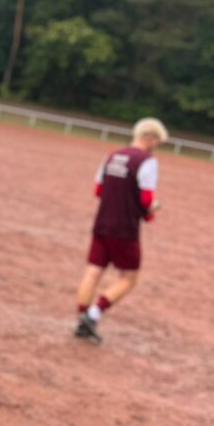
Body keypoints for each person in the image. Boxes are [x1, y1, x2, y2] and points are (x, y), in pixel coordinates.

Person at [74, 118, 168, 344]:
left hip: (102, 223)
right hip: (125, 228)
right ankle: (93, 314)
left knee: (93, 271)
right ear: (150, 137)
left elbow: (98, 190)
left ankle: (81, 317)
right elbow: (145, 198)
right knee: (129, 277)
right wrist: (152, 208)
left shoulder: (112, 155)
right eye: (158, 141)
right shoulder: (147, 161)